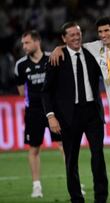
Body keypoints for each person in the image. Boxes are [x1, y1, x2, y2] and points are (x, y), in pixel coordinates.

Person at [50, 16, 110, 203]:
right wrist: (58, 48)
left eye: (106, 31)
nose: (103, 35)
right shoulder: (94, 48)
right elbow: (73, 46)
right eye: (100, 32)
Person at [42, 22, 108, 203]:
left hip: (93, 113)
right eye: (71, 35)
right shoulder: (57, 58)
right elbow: (46, 91)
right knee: (71, 160)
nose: (76, 37)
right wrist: (51, 116)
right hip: (68, 116)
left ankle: (101, 198)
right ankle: (76, 198)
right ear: (64, 38)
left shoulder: (91, 53)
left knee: (98, 157)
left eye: (78, 33)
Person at [14, 30, 64, 198]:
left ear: (37, 42)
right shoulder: (21, 65)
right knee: (34, 148)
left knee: (64, 146)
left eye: (27, 43)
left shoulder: (53, 58)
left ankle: (74, 180)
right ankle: (36, 186)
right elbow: (21, 92)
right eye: (23, 44)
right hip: (33, 112)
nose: (24, 46)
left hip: (54, 111)